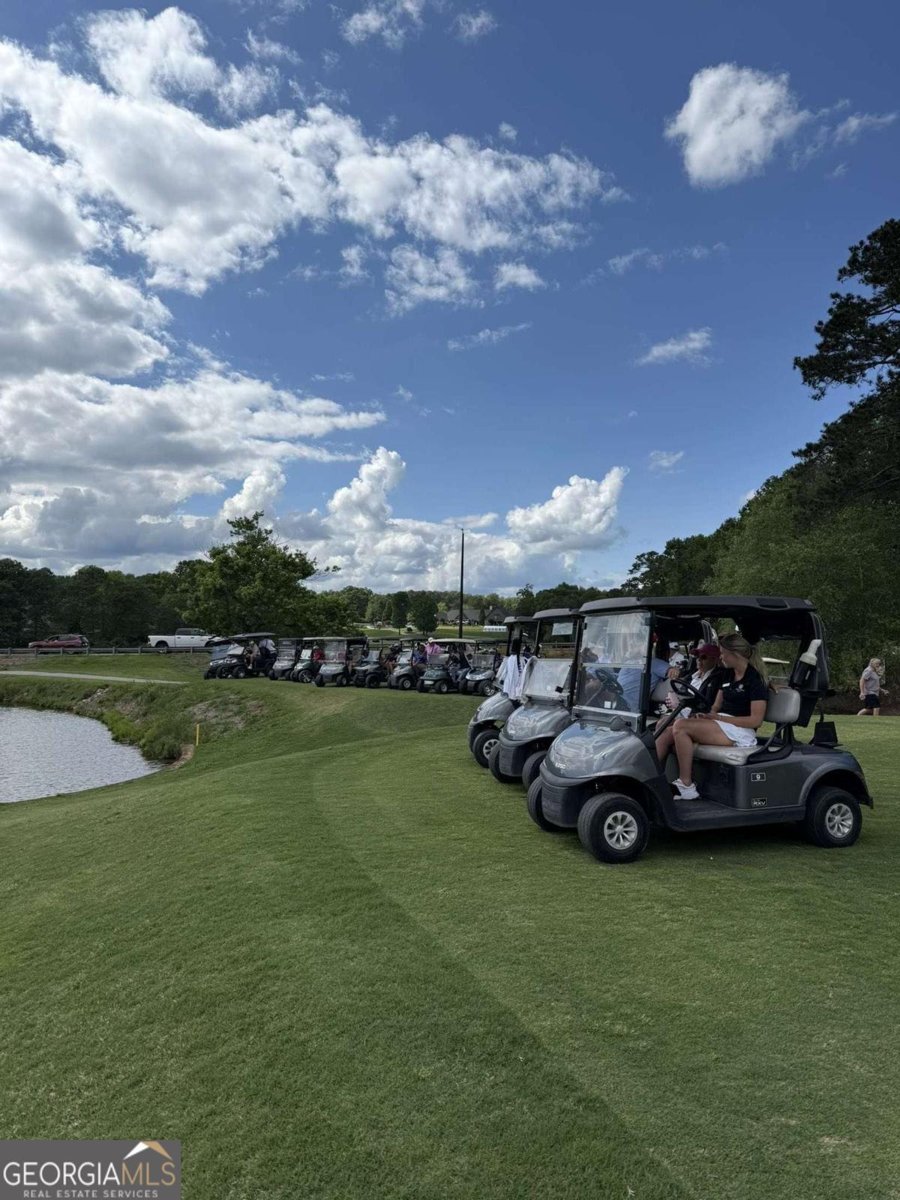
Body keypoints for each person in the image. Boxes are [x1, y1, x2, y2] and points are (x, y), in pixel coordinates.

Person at [668, 633, 770, 801]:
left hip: (741, 731)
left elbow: (755, 721)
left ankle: (686, 785)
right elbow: (716, 707)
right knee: (665, 728)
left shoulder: (755, 680)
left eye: (723, 653)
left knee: (680, 726)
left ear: (734, 654)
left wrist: (720, 719)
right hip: (722, 723)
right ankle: (651, 780)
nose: (720, 657)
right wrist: (706, 716)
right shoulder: (727, 674)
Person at [654, 643, 724, 761]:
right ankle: (662, 768)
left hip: (700, 717)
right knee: (661, 723)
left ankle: (653, 771)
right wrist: (672, 697)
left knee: (666, 732)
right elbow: (680, 690)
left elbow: (706, 705)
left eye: (703, 657)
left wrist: (680, 705)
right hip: (685, 714)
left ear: (715, 659)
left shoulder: (717, 678)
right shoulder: (693, 676)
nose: (699, 660)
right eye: (697, 657)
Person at [617, 637, 677, 713]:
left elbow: (673, 672)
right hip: (616, 697)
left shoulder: (653, 663)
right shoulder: (628, 662)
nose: (631, 646)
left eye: (635, 645)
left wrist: (673, 671)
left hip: (627, 705)